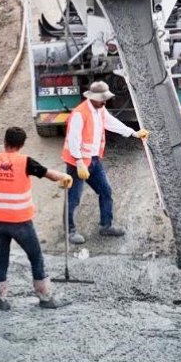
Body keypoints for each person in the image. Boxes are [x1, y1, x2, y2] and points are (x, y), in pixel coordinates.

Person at [0, 126, 74, 310]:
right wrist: (65, 176)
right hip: (20, 222)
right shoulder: (25, 162)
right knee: (36, 258)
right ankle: (45, 299)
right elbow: (49, 174)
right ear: (22, 145)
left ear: (5, 142)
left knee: (1, 260)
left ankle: (2, 300)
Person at [63, 81, 147, 245]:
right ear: (93, 98)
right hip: (77, 163)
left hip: (93, 160)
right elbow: (73, 139)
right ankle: (70, 231)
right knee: (74, 198)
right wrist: (79, 162)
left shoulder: (100, 110)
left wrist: (133, 133)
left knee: (106, 191)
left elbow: (112, 123)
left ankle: (106, 225)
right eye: (102, 99)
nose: (105, 102)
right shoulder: (80, 113)